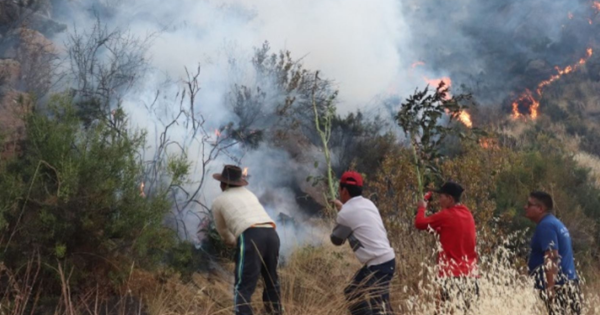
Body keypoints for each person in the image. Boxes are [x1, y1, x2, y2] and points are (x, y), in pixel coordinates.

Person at [211, 165, 282, 315]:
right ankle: (275, 312)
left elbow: (224, 232)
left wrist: (235, 243)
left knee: (242, 287)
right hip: (272, 234)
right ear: (238, 183)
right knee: (271, 281)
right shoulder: (249, 194)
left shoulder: (218, 201)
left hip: (251, 235)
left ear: (222, 184)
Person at [330, 171, 396, 315]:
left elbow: (336, 240)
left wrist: (341, 212)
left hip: (378, 264)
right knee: (354, 292)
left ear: (344, 190)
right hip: (385, 260)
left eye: (340, 189)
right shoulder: (368, 203)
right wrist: (343, 209)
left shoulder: (345, 213)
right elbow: (356, 215)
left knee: (379, 307)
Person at [414, 181, 478, 311]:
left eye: (441, 197)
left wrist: (422, 208)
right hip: (471, 275)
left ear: (449, 198)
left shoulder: (446, 215)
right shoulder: (467, 214)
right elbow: (448, 230)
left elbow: (419, 223)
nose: (439, 200)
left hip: (452, 275)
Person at [524, 191, 582, 315]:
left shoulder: (546, 226)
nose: (525, 207)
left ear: (540, 208)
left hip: (560, 287)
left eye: (529, 204)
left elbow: (552, 256)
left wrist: (550, 288)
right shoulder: (554, 223)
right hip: (568, 285)